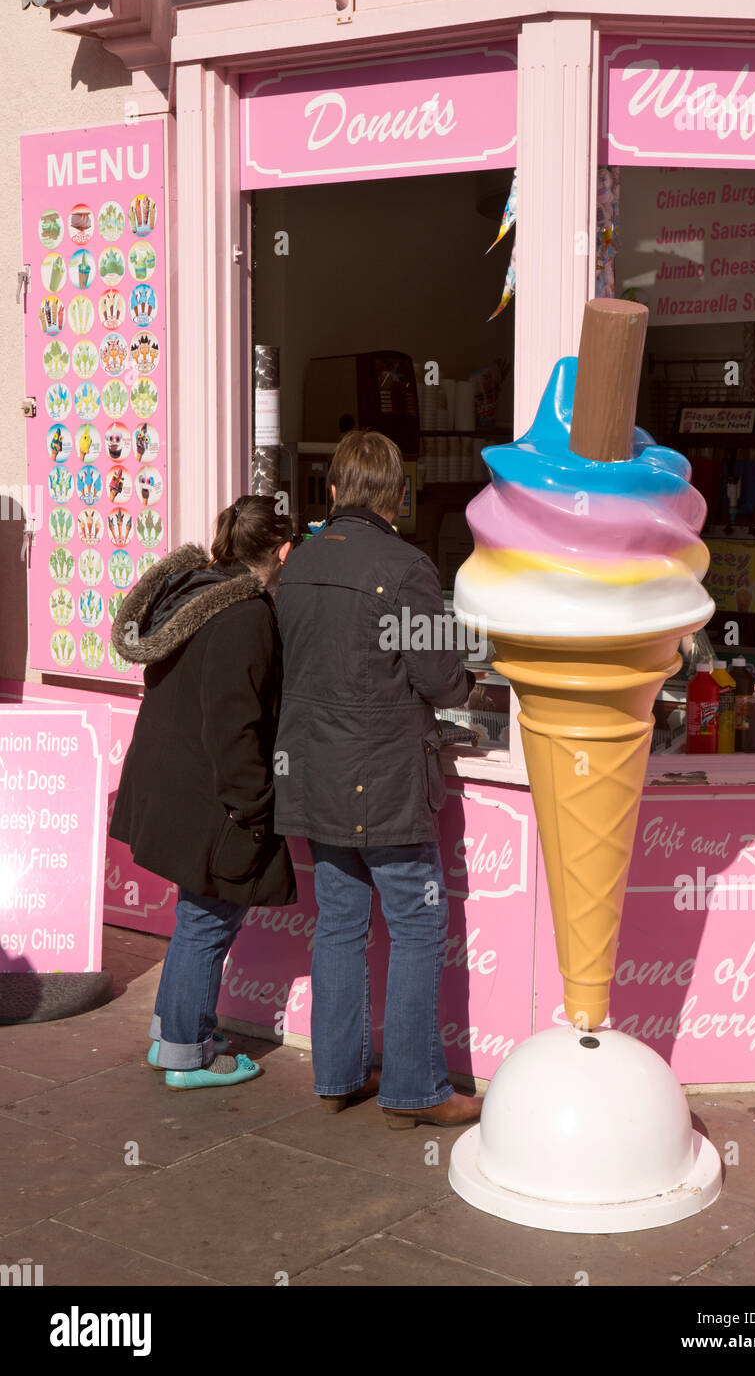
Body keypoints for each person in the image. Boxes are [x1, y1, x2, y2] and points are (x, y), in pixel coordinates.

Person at [273, 430, 483, 1129]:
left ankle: (336, 1076)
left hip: (316, 775)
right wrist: (471, 673)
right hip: (385, 781)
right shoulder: (405, 567)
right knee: (418, 928)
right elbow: (442, 677)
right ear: (398, 494)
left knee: (338, 924)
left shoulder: (297, 564)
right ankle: (417, 1091)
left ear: (332, 491)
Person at [109, 496, 296, 1089]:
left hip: (173, 787)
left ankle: (175, 1025)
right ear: (283, 552)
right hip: (212, 798)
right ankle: (185, 1052)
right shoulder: (246, 615)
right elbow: (234, 723)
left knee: (196, 913)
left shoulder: (190, 593)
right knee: (207, 919)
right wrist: (254, 804)